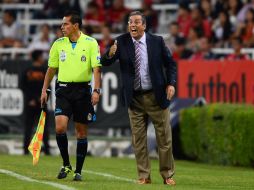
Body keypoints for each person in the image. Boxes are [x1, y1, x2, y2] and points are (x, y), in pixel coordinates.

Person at [101, 11, 176, 185]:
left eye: (136, 22)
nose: (132, 25)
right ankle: (144, 176)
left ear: (144, 25)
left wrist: (171, 83)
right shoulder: (121, 41)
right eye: (129, 22)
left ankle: (167, 175)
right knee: (138, 140)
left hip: (156, 96)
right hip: (134, 98)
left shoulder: (157, 42)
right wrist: (110, 54)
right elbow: (105, 62)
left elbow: (170, 64)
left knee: (164, 138)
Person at [40, 10, 101, 181]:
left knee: (81, 133)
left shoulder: (90, 43)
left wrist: (96, 90)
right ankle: (66, 164)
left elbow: (97, 68)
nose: (62, 27)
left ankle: (78, 171)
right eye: (62, 24)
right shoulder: (58, 44)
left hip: (82, 92)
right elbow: (51, 69)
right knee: (60, 128)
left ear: (75, 26)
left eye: (65, 24)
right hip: (63, 90)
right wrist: (44, 90)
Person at [22, 50, 50, 155]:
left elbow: (48, 86)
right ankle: (27, 149)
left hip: (37, 102)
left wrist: (36, 99)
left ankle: (45, 149)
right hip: (34, 103)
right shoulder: (33, 71)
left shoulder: (42, 70)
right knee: (34, 127)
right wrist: (34, 99)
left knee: (41, 127)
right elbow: (23, 87)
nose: (43, 58)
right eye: (42, 56)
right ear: (38, 57)